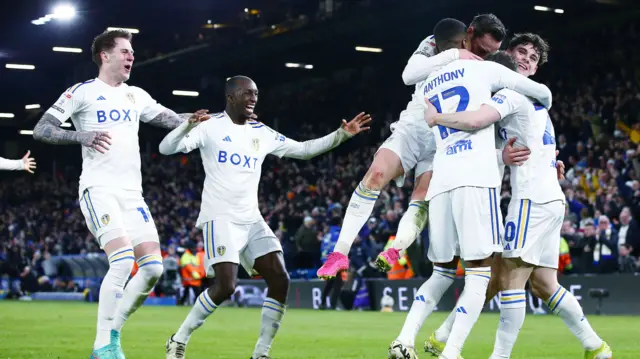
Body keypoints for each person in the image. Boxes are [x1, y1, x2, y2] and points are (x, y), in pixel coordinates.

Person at [425, 34, 612, 359]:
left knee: (506, 278)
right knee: (542, 284)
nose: (526, 59)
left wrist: (436, 117)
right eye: (521, 52)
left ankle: (484, 351)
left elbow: (475, 121)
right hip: (551, 199)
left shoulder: (512, 94)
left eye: (533, 57)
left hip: (530, 200)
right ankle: (595, 346)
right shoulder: (536, 102)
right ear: (507, 56)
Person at [161, 76, 371, 359]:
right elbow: (166, 148)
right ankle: (178, 339)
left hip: (252, 219)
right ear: (231, 96)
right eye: (247, 93)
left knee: (280, 279)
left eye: (256, 94)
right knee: (225, 286)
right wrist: (188, 125)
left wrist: (342, 134)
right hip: (220, 217)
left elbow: (304, 150)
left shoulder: (262, 132)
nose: (253, 99)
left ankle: (261, 353)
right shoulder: (209, 127)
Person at [32, 29, 201, 359]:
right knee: (122, 261)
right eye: (124, 51)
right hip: (99, 190)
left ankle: (112, 333)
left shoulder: (136, 95)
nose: (131, 57)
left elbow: (172, 120)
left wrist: (202, 121)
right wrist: (81, 136)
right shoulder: (81, 92)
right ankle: (102, 346)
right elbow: (42, 129)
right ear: (104, 56)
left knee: (152, 269)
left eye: (132, 52)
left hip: (132, 195)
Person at [389, 27, 553, 358]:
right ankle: (451, 353)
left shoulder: (434, 82)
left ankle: (403, 341)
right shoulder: (492, 73)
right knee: (479, 275)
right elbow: (543, 94)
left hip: (441, 181)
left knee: (442, 273)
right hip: (475, 182)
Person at [316, 14, 509, 279]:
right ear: (468, 35)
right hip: (415, 126)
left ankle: (396, 249)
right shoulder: (435, 44)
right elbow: (409, 75)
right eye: (482, 49)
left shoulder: (486, 65)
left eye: (491, 52)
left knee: (423, 194)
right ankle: (339, 254)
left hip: (448, 136)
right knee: (376, 175)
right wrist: (455, 56)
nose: (484, 55)